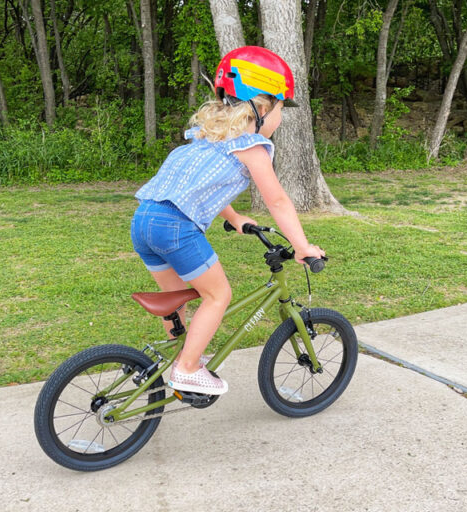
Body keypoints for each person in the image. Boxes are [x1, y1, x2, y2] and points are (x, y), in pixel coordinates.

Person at [130, 46, 325, 396]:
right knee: (218, 295)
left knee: (178, 299)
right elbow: (278, 200)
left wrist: (233, 217)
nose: (280, 118)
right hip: (176, 228)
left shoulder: (208, 138)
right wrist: (302, 247)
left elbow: (198, 187)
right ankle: (187, 369)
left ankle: (181, 355)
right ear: (262, 108)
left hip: (144, 220)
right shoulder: (251, 146)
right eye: (282, 109)